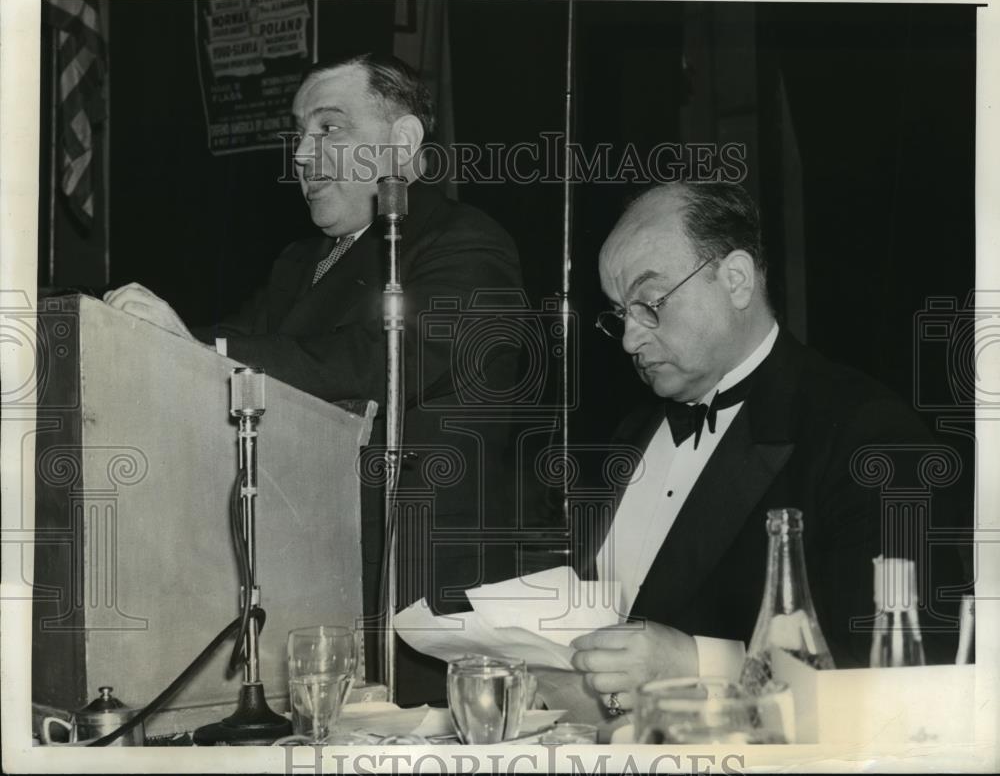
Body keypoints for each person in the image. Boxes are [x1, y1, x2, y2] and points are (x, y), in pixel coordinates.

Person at [103, 53, 524, 706]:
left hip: (419, 609)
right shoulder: (298, 265)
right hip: (306, 592)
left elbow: (382, 359)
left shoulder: (464, 242)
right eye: (299, 134)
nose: (302, 153)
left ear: (403, 142)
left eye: (330, 129)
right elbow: (231, 354)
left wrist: (195, 340)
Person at [565, 181, 965, 719]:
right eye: (620, 314)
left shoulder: (869, 435)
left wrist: (694, 664)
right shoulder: (628, 434)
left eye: (650, 304)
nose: (631, 340)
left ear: (735, 280)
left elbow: (905, 677)